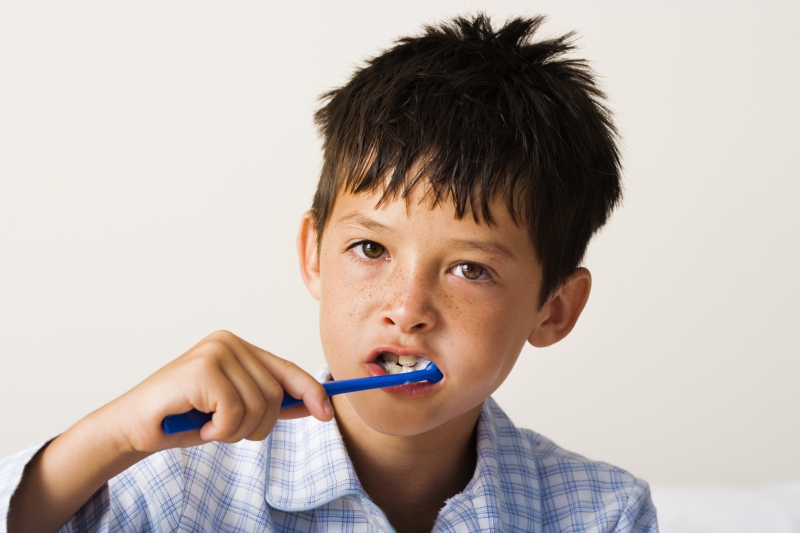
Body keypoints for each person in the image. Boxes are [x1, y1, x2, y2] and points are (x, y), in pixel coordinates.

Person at [0, 14, 658, 533]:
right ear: (314, 253)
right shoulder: (184, 485)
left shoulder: (603, 514)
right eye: (370, 248)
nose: (407, 308)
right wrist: (115, 434)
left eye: (469, 268)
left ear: (554, 309)